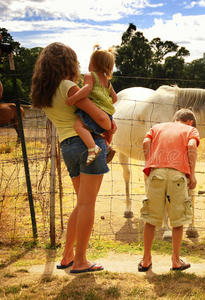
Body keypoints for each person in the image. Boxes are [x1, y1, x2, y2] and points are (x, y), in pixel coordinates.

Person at [31, 42, 111, 274]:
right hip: (88, 146)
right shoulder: (68, 86)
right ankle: (81, 261)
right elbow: (103, 120)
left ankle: (67, 256)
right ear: (68, 63)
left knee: (81, 203)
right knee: (87, 204)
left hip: (67, 146)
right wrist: (107, 120)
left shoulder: (46, 91)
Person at [139, 108, 199, 272]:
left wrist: (149, 162)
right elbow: (192, 146)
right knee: (178, 220)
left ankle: (146, 260)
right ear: (190, 122)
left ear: (175, 119)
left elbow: (145, 142)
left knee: (150, 218)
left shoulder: (157, 127)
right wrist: (192, 175)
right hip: (177, 175)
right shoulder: (190, 130)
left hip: (156, 172)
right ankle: (175, 260)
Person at [65, 45, 117, 165]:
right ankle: (107, 146)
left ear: (94, 63)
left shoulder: (90, 75)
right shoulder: (107, 82)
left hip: (96, 114)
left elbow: (87, 89)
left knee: (78, 126)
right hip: (107, 115)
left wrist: (73, 98)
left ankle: (92, 148)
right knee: (95, 131)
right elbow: (114, 98)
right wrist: (105, 104)